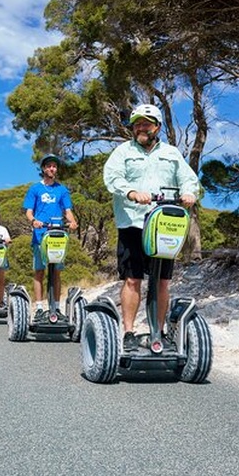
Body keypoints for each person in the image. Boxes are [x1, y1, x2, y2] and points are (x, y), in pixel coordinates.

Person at [103, 103, 200, 352]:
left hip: (164, 224)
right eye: (137, 124)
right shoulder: (123, 152)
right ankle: (128, 333)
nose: (140, 128)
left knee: (162, 281)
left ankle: (159, 332)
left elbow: (188, 179)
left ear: (157, 126)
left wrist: (188, 193)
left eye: (146, 123)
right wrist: (132, 191)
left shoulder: (171, 153)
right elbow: (112, 177)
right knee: (133, 279)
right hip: (133, 223)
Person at [22, 153, 78, 322]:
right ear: (43, 169)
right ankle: (39, 307)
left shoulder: (62, 190)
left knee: (57, 273)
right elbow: (28, 211)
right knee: (39, 271)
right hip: (40, 235)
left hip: (58, 235)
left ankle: (57, 307)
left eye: (54, 166)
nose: (52, 168)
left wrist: (73, 222)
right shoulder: (35, 188)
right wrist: (34, 221)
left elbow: (67, 211)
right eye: (49, 166)